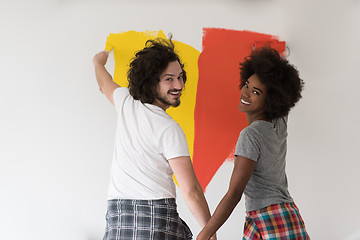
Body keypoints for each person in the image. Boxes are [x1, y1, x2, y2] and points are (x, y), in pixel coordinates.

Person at [93, 37, 215, 240]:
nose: (179, 84)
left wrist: (97, 62)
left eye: (180, 76)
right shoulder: (169, 129)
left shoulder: (126, 103)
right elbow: (191, 190)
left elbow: (104, 82)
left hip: (119, 217)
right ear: (151, 82)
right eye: (169, 79)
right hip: (156, 216)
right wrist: (210, 232)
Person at [197, 47, 309, 240]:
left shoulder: (250, 135)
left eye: (256, 92)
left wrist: (203, 235)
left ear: (271, 101)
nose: (246, 93)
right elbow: (283, 94)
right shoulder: (279, 125)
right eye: (247, 85)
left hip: (270, 218)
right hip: (279, 214)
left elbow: (234, 194)